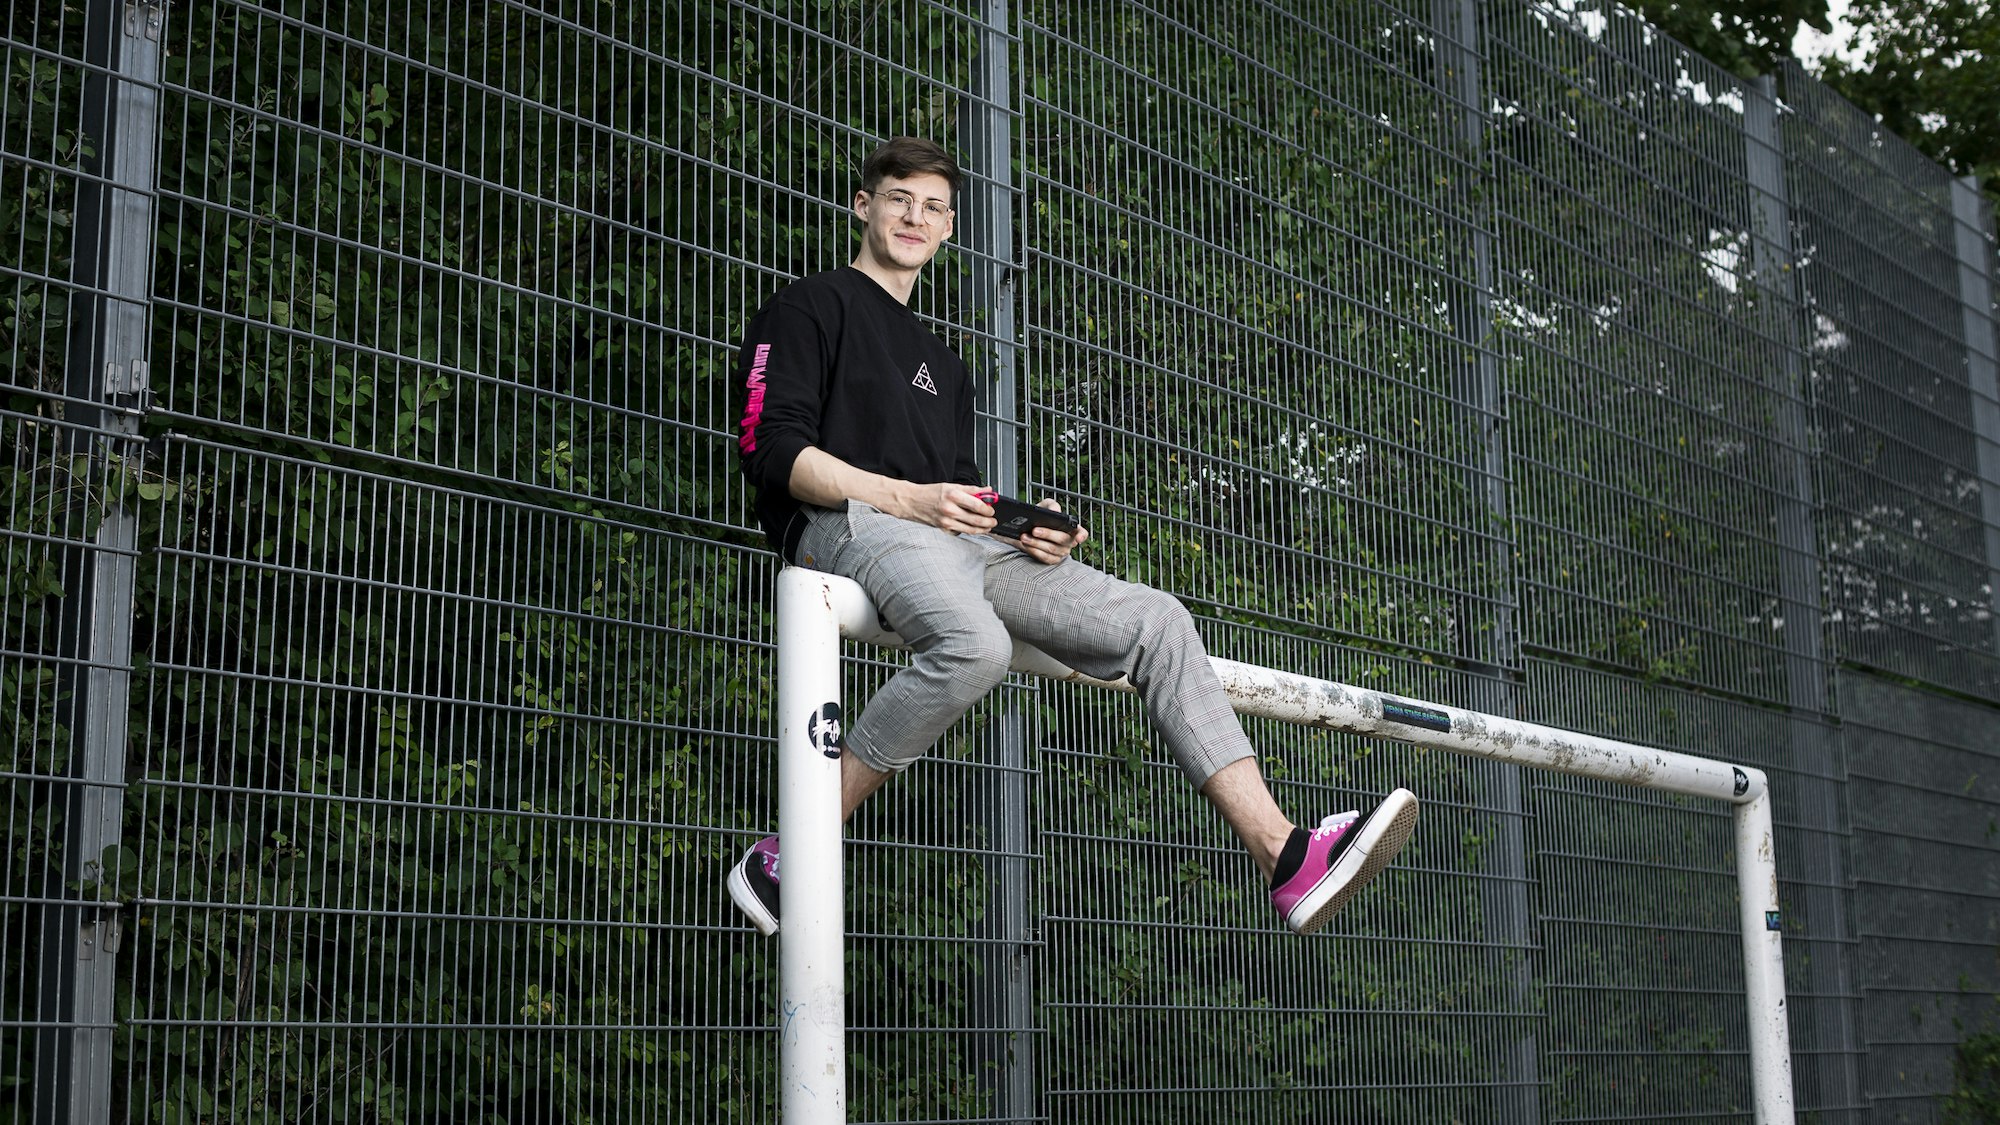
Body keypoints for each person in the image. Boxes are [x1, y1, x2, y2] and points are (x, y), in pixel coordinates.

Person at [726, 136, 1417, 938]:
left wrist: (1025, 529)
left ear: (950, 228)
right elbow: (771, 450)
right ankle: (795, 849)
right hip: (848, 524)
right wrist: (909, 499)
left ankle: (1286, 855)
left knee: (1159, 621)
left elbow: (961, 495)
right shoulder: (810, 305)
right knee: (974, 645)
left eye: (934, 207)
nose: (915, 217)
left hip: (956, 545)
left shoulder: (944, 366)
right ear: (865, 205)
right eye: (899, 198)